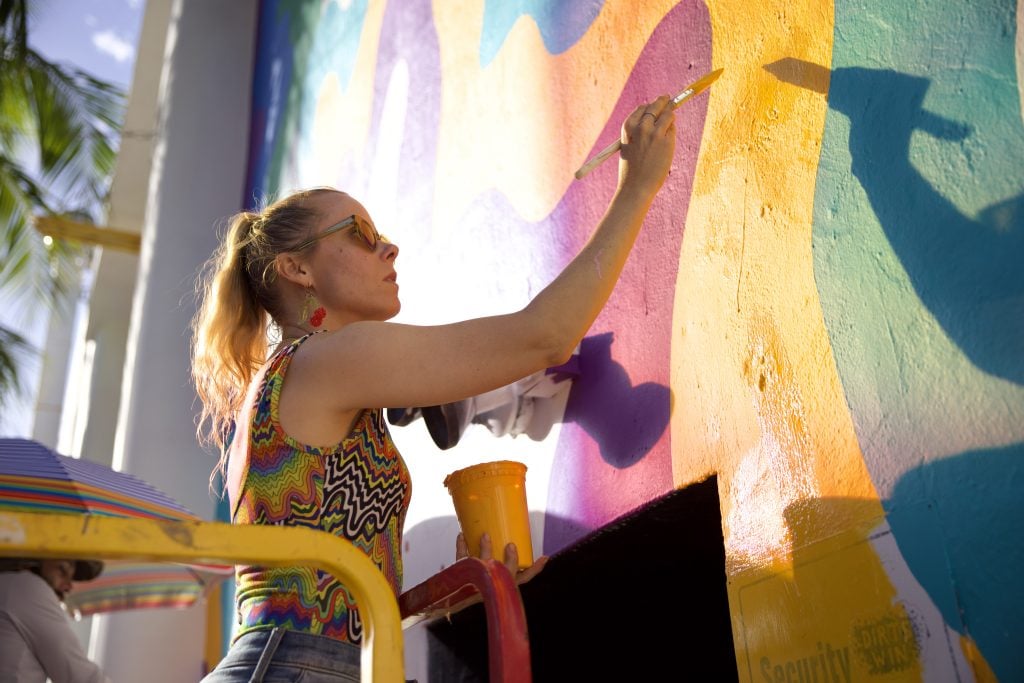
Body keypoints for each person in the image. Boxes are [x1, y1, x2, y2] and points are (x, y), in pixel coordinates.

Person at [193, 94, 677, 681]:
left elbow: (329, 589)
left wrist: (456, 590)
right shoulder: (329, 357)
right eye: (361, 232)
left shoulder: (302, 373)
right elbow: (544, 338)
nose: (387, 246)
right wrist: (638, 187)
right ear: (299, 270)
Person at [0, 557, 110, 683]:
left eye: (71, 577)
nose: (68, 586)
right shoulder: (26, 586)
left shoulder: (8, 582)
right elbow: (80, 676)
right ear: (33, 560)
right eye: (62, 570)